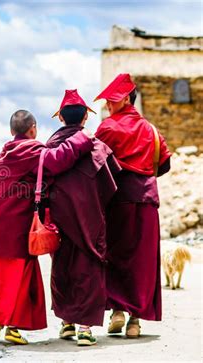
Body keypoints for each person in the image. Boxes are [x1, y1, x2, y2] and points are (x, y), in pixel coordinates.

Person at [0, 110, 95, 345]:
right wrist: (82, 138)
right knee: (21, 274)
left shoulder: (4, 154)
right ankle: (12, 327)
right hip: (15, 223)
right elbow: (58, 160)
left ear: (11, 132)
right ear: (33, 129)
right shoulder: (31, 151)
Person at [94, 74, 172, 338]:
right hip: (147, 200)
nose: (107, 105)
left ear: (126, 98)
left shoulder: (107, 128)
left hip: (117, 200)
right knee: (143, 259)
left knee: (116, 254)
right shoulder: (152, 130)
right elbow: (164, 164)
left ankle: (116, 310)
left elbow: (95, 164)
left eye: (110, 100)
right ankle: (135, 321)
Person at [46, 89, 121, 346]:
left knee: (62, 267)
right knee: (88, 268)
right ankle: (85, 328)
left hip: (59, 218)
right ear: (85, 119)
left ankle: (66, 323)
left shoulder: (50, 147)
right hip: (90, 218)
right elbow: (111, 185)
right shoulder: (97, 146)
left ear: (61, 118)